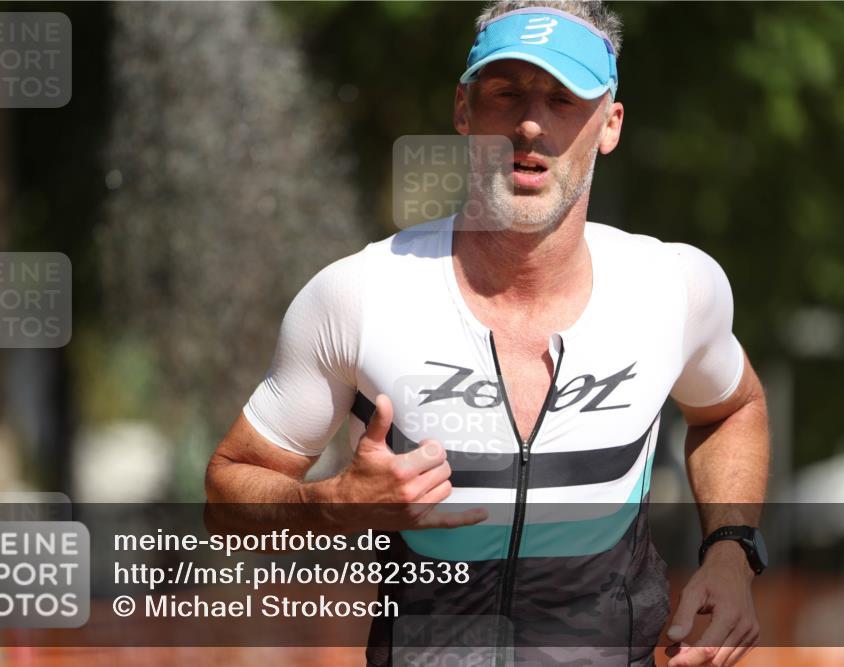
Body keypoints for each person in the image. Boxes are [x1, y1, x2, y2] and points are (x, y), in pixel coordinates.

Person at [206, 1, 770, 665]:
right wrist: (334, 504)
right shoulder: (358, 294)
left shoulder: (672, 288)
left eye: (564, 98)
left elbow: (734, 408)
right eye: (505, 93)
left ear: (610, 123)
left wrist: (731, 551)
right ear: (463, 110)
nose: (531, 123)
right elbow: (226, 494)